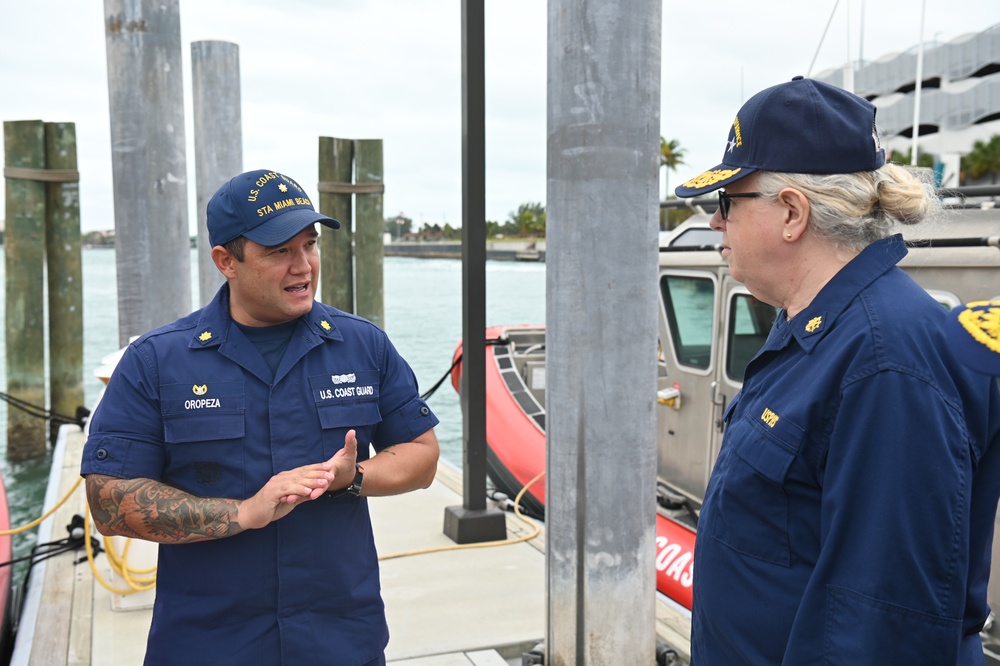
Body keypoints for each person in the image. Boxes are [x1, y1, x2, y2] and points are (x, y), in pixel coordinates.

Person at [674, 77, 1000, 664]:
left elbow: (883, 626)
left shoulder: (885, 363)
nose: (717, 224)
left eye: (727, 202)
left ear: (792, 213)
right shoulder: (815, 327)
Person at [81, 169, 440, 666]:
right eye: (279, 252)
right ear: (226, 261)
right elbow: (108, 501)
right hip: (208, 644)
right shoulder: (155, 361)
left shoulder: (364, 345)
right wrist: (242, 512)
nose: (304, 266)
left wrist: (352, 478)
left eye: (310, 245)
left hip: (340, 640)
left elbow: (422, 456)